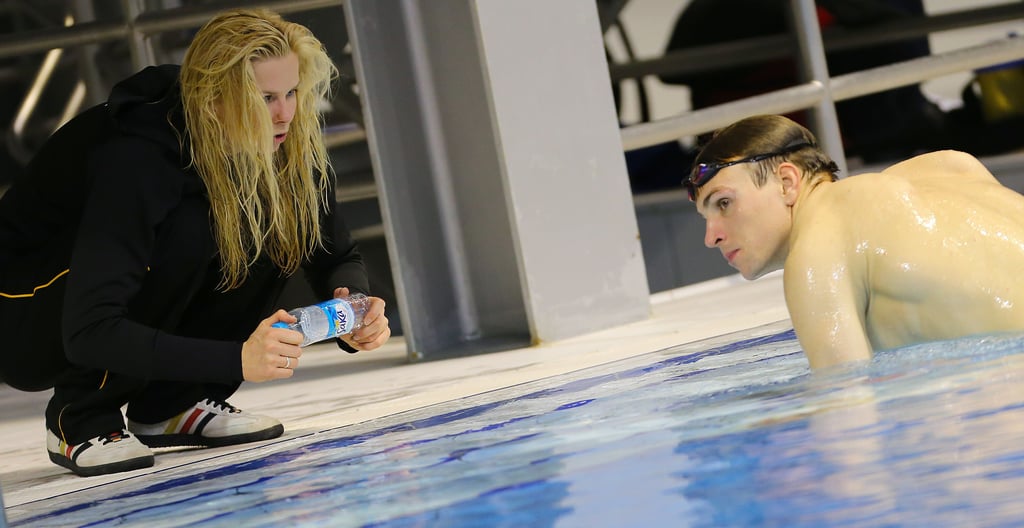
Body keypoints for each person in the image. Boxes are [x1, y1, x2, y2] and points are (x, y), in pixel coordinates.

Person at [0, 8, 391, 477]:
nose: (285, 113)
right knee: (187, 230)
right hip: (21, 313)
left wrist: (355, 306)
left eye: (291, 92)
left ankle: (173, 404)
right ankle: (81, 418)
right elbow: (90, 328)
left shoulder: (284, 141)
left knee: (270, 213)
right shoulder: (139, 156)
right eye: (265, 98)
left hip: (85, 304)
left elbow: (335, 254)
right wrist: (236, 359)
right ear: (214, 100)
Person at [687, 114, 1024, 370]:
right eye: (706, 217)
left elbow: (848, 409)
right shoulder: (950, 166)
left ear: (787, 182)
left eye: (724, 203)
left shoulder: (817, 252)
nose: (711, 237)